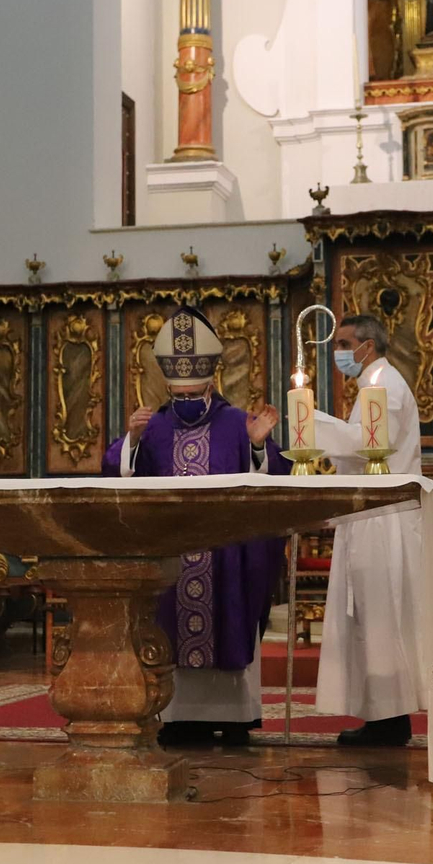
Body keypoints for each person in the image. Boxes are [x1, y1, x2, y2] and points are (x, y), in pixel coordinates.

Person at [102, 305, 288, 746]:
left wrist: (257, 448)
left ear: (210, 381)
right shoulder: (153, 427)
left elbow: (275, 476)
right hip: (174, 557)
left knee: (230, 616)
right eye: (179, 391)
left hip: (227, 558)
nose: (186, 398)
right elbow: (119, 474)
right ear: (167, 384)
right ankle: (179, 716)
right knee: (171, 624)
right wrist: (131, 440)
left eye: (194, 390)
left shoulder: (237, 422)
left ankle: (236, 718)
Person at [307, 314, 425, 747]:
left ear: (367, 346)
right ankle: (380, 714)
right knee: (368, 617)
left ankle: (389, 719)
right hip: (368, 516)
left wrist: (312, 423)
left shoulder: (385, 386)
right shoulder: (373, 384)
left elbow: (371, 445)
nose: (338, 352)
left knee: (380, 617)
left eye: (343, 344)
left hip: (383, 519)